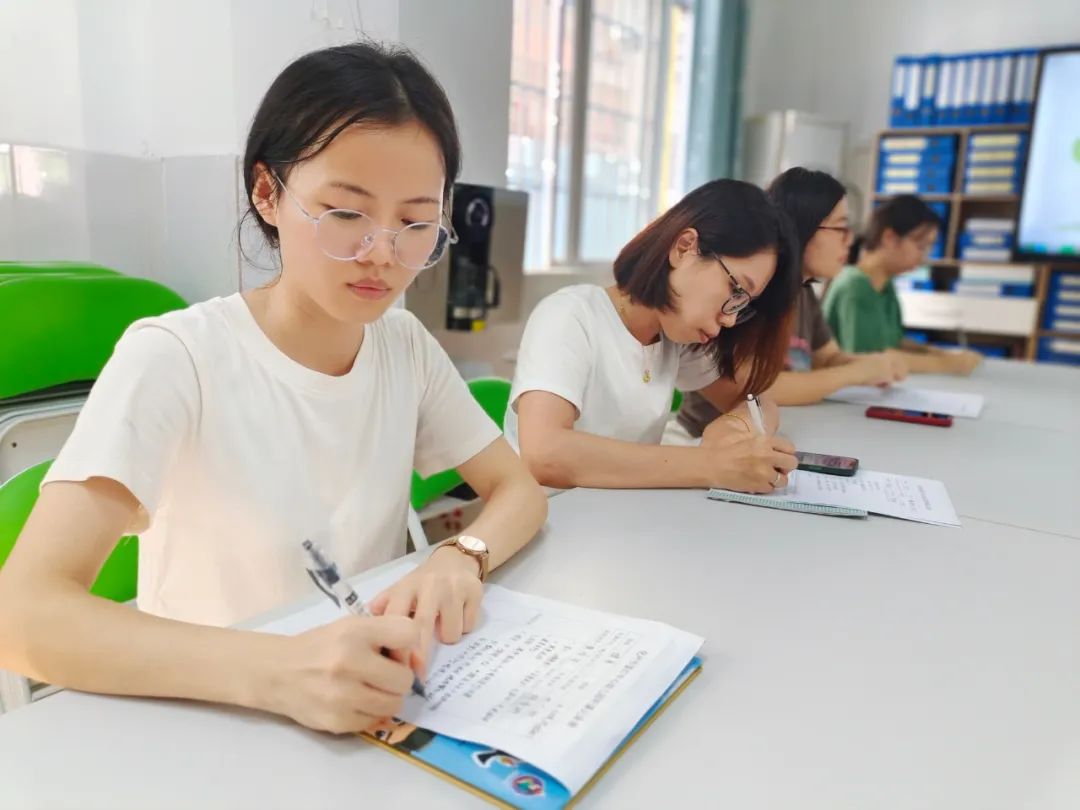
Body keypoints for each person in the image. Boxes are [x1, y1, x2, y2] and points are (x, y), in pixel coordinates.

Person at [0, 43, 547, 736]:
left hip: (365, 707)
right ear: (267, 193)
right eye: (345, 213)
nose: (383, 254)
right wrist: (282, 672)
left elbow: (518, 489)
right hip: (217, 722)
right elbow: (22, 615)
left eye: (414, 223)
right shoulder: (177, 357)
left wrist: (460, 557)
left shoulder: (403, 344)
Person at [505, 179, 801, 494]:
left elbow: (758, 401)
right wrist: (712, 464)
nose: (730, 318)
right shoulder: (571, 315)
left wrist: (737, 425)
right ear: (684, 248)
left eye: (743, 304)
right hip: (550, 515)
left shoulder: (673, 338)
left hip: (622, 515)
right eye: (736, 289)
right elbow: (544, 454)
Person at [676, 168, 909, 436]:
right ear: (803, 227)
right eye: (840, 229)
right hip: (703, 437)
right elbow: (751, 389)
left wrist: (874, 365)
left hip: (778, 427)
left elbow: (826, 357)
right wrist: (855, 373)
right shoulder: (752, 290)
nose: (850, 241)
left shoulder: (804, 291)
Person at [822, 194, 982, 375]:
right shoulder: (855, 286)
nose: (924, 256)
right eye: (921, 246)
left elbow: (892, 342)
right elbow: (871, 357)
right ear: (889, 238)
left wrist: (939, 353)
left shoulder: (885, 284)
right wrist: (946, 364)